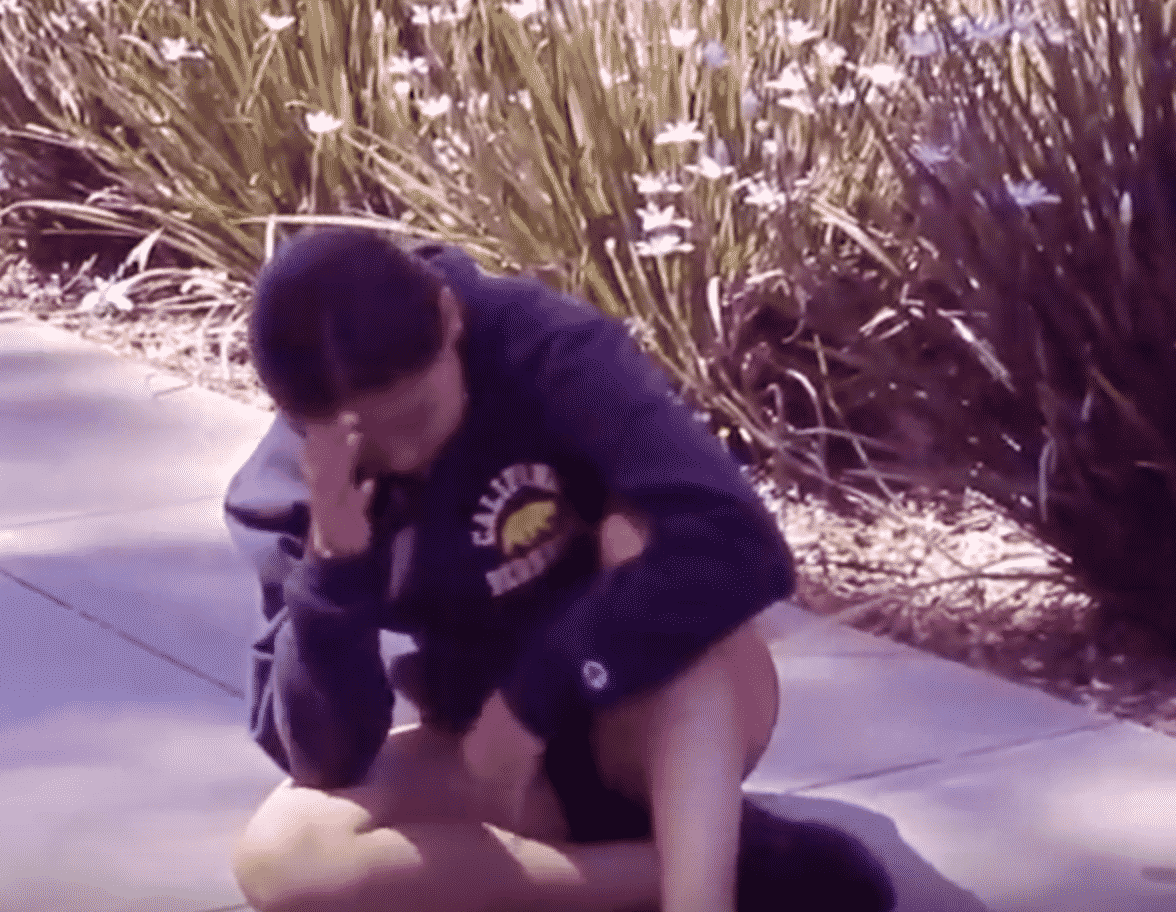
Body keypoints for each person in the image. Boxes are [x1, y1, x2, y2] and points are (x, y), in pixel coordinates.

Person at [222, 226, 895, 912]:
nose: (399, 456)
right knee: (284, 857)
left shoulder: (544, 347)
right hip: (498, 760)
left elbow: (740, 547)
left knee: (643, 540)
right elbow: (326, 759)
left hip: (659, 711)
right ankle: (727, 870)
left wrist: (537, 694)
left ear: (449, 318)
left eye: (416, 417)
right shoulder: (290, 488)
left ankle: (696, 894)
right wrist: (332, 575)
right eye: (366, 438)